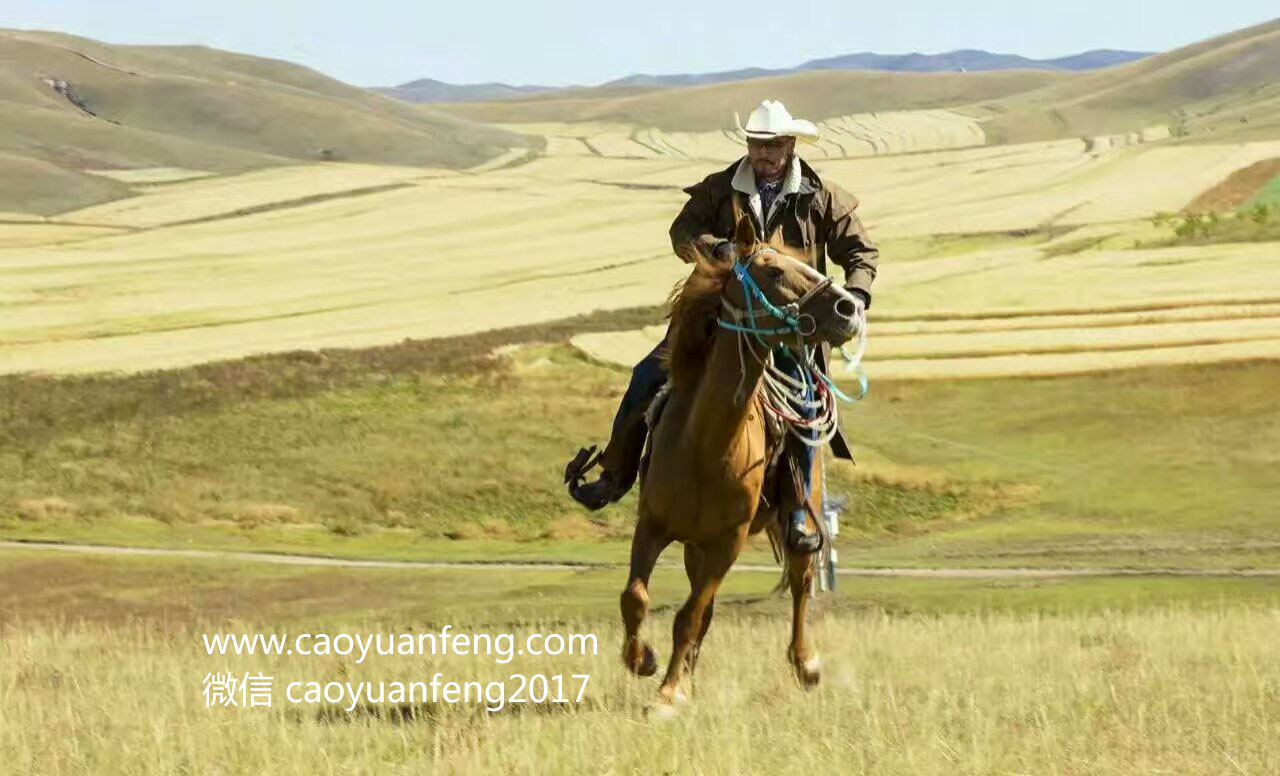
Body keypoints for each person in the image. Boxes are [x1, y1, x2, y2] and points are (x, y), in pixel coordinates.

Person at [564, 100, 879, 552]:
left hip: (786, 328)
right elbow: (681, 232)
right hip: (715, 322)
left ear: (790, 145)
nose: (763, 154)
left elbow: (861, 253)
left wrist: (858, 294)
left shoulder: (822, 196)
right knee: (646, 375)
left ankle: (799, 512)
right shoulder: (718, 189)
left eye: (772, 145)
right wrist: (720, 249)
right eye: (756, 143)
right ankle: (614, 475)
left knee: (807, 404)